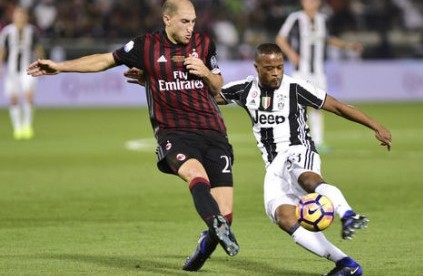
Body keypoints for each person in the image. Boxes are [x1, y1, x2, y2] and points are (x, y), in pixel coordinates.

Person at [27, 0, 239, 272]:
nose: (190, 28)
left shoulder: (204, 44)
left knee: (226, 215)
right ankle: (215, 224)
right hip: (175, 132)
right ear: (167, 19)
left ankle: (205, 244)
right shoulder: (145, 46)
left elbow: (218, 86)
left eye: (194, 21)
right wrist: (60, 67)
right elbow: (104, 60)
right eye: (185, 22)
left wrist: (206, 72)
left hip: (213, 132)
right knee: (195, 177)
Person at [218, 43, 391, 276]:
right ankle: (347, 265)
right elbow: (211, 97)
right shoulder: (244, 89)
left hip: (299, 150)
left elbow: (338, 107)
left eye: (279, 67)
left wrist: (375, 125)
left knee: (307, 178)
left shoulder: (295, 87)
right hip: (273, 166)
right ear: (256, 67)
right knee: (284, 217)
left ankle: (348, 214)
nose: (276, 72)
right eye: (269, 68)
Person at [276, 0, 364, 152]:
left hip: (319, 71)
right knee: (296, 106)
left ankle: (318, 141)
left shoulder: (323, 19)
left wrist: (348, 45)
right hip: (300, 71)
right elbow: (280, 38)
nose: (311, 3)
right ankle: (292, 138)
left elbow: (328, 39)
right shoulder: (295, 18)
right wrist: (291, 54)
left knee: (319, 105)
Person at [0, 6, 45, 140]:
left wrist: (42, 63)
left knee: (29, 95)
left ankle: (27, 125)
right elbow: (3, 50)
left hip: (27, 69)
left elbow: (37, 48)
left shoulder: (31, 31)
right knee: (14, 99)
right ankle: (17, 128)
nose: (20, 17)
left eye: (22, 15)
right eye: (17, 15)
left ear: (26, 17)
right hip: (11, 70)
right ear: (13, 17)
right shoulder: (7, 32)